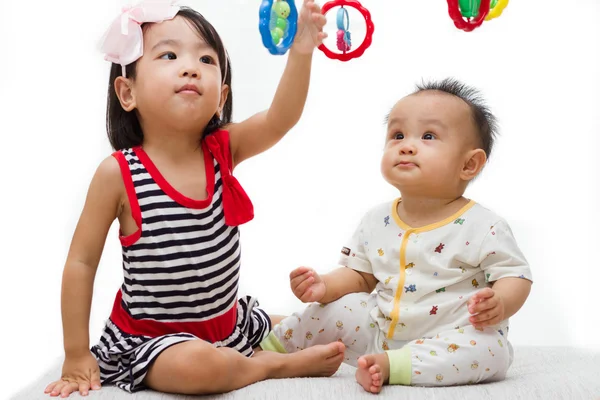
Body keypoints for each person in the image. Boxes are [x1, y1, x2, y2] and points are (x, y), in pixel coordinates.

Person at [44, 1, 347, 397]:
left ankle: (252, 346)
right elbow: (81, 263)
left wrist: (301, 51)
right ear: (127, 91)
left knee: (320, 321)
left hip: (226, 323)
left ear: (221, 97)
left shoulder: (223, 150)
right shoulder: (119, 174)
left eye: (206, 58)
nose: (190, 67)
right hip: (154, 342)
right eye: (169, 55)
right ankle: (273, 366)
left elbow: (280, 119)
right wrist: (75, 353)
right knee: (197, 367)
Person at [260, 78, 533, 394]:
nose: (406, 144)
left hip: (452, 337)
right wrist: (325, 285)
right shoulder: (376, 219)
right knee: (339, 307)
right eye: (398, 135)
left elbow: (515, 275)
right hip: (379, 333)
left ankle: (396, 367)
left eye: (428, 136)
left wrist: (501, 301)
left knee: (491, 352)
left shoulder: (483, 225)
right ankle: (268, 347)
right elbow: (360, 277)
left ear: (469, 164)